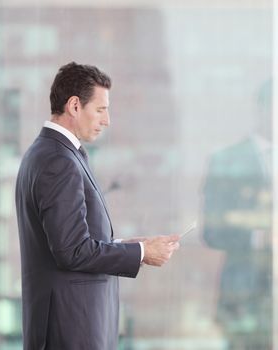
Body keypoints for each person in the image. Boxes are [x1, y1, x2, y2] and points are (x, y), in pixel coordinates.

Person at [15, 62, 180, 350]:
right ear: (75, 106)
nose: (107, 120)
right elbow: (72, 252)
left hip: (68, 324)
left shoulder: (51, 153)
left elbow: (71, 239)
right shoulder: (58, 160)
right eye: (101, 110)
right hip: (70, 328)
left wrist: (128, 246)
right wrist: (141, 253)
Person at [202, 80, 278, 350]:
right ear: (261, 110)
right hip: (244, 296)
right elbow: (211, 230)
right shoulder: (226, 161)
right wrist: (261, 238)